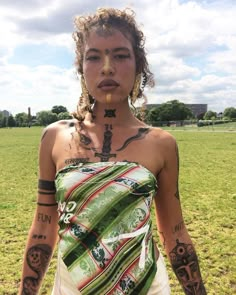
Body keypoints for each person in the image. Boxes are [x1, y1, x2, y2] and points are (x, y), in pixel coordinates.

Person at [19, 7, 206, 295]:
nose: (107, 67)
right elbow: (43, 228)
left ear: (138, 65)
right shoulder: (54, 137)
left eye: (120, 55)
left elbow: (174, 232)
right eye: (94, 57)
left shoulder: (161, 143)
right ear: (81, 67)